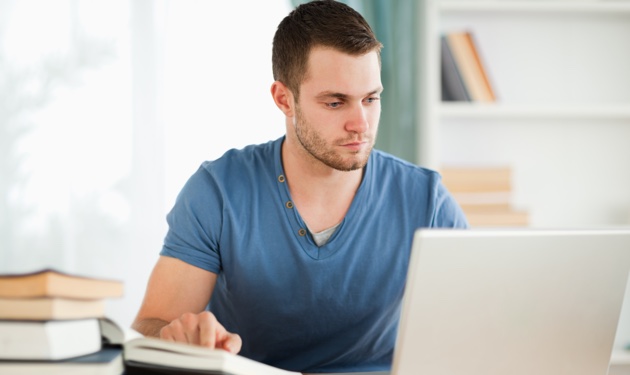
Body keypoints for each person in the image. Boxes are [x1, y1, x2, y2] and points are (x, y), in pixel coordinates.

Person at [132, 0, 468, 373]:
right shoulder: (218, 192)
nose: (361, 123)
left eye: (371, 99)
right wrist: (178, 338)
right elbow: (149, 326)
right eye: (335, 102)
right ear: (283, 99)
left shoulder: (426, 200)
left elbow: (478, 329)